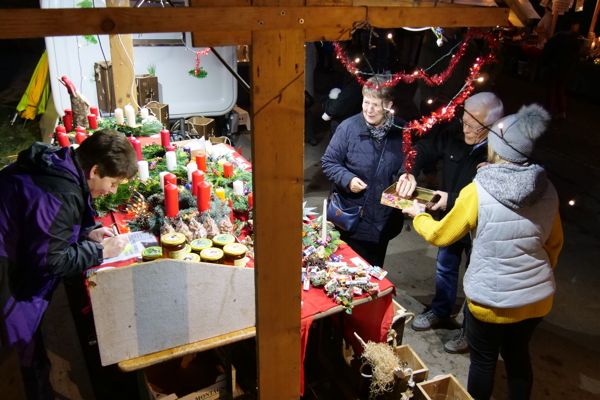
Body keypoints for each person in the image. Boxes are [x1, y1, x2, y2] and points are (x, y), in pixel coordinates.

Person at [403, 104, 563, 400]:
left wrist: (418, 214)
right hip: (537, 299)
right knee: (517, 358)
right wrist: (532, 276)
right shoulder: (548, 189)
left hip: (492, 301)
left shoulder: (479, 189)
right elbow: (554, 245)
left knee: (484, 361)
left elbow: (441, 235)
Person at [0, 129, 138, 400]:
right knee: (24, 355)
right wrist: (97, 251)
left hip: (13, 255)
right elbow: (50, 261)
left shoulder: (59, 167)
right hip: (8, 274)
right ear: (95, 169)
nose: (113, 190)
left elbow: (44, 229)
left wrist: (85, 233)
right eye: (113, 182)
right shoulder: (59, 193)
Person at [396, 92, 504, 353]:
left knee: (475, 280)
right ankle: (441, 311)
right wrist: (409, 171)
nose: (465, 128)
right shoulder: (456, 132)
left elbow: (495, 197)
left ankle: (468, 331)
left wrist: (451, 199)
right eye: (464, 121)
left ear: (490, 126)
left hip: (482, 228)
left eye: (472, 126)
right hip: (451, 220)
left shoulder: (501, 152)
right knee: (445, 267)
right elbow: (423, 148)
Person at [321, 75, 405, 267]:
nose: (369, 109)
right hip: (352, 218)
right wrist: (348, 179)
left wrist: (406, 176)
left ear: (388, 105)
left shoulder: (402, 129)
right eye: (366, 102)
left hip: (383, 221)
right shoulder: (348, 128)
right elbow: (329, 162)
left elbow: (409, 161)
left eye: (376, 104)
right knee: (348, 270)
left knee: (374, 271)